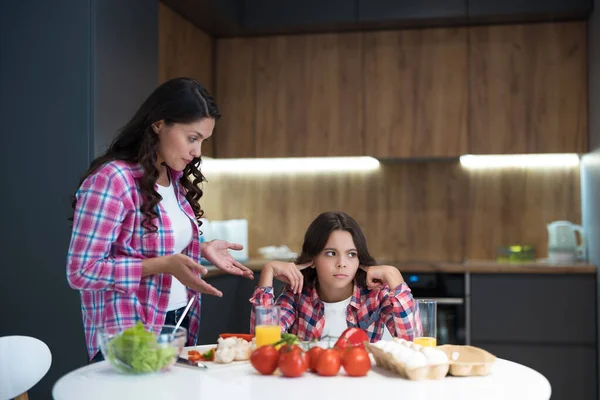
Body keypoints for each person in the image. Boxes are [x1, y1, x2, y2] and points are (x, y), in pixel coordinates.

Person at [67, 77, 253, 362]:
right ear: (158, 124)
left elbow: (149, 243)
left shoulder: (173, 179)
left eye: (203, 141)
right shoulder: (112, 179)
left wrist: (201, 248)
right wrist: (164, 265)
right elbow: (82, 271)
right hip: (129, 333)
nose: (197, 152)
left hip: (176, 322)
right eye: (192, 138)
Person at [249, 211, 418, 342]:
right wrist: (268, 272)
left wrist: (394, 276)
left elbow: (413, 343)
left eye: (351, 254)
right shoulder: (296, 296)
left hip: (362, 383)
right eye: (331, 253)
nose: (342, 263)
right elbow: (263, 343)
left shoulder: (375, 295)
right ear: (312, 259)